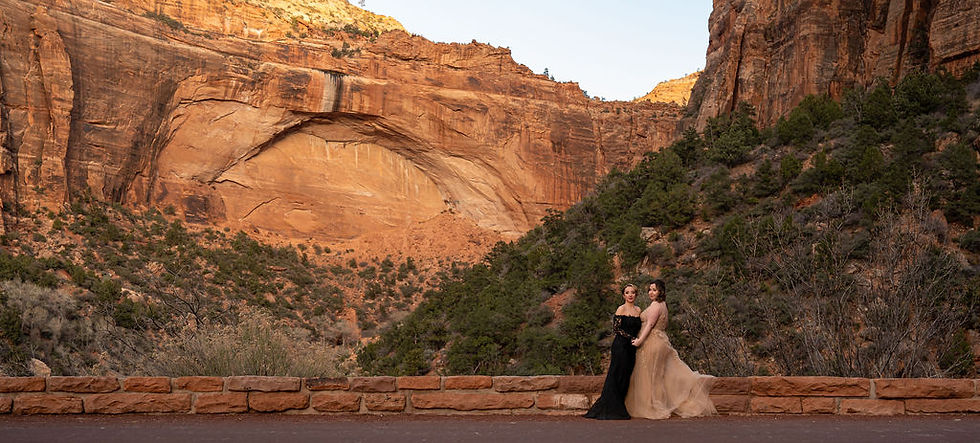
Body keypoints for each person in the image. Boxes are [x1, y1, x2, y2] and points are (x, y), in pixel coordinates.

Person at [624, 280, 715, 419]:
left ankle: (652, 406)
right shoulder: (663, 305)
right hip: (660, 340)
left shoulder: (655, 305)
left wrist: (639, 341)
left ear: (660, 291)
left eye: (654, 290)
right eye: (649, 289)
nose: (651, 292)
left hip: (651, 342)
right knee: (658, 375)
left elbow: (650, 325)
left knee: (649, 375)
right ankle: (656, 403)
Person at [584, 284, 642, 420]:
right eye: (627, 292)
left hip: (632, 348)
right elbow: (617, 329)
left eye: (633, 292)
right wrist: (632, 338)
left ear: (636, 295)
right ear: (623, 295)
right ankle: (612, 408)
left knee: (626, 375)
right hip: (621, 346)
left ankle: (620, 404)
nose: (630, 295)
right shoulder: (620, 309)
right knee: (616, 373)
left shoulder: (639, 310)